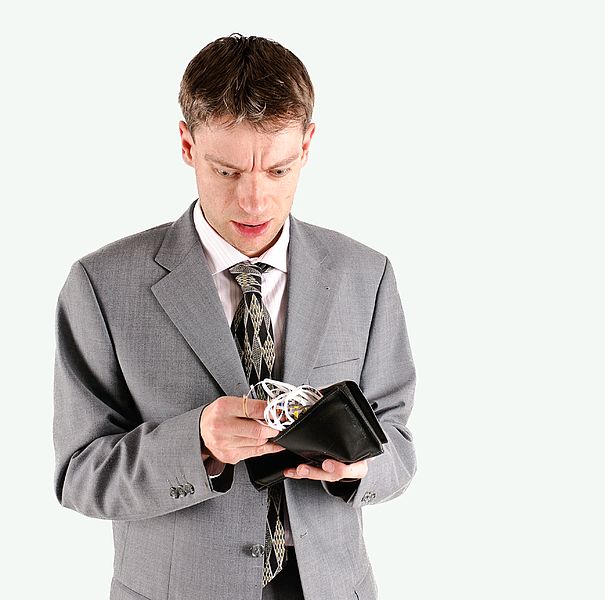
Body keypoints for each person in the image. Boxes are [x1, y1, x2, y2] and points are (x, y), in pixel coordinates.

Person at [53, 34, 416, 600]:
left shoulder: (364, 274)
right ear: (186, 143)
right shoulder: (101, 285)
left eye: (278, 170)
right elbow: (80, 476)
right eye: (226, 172)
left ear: (308, 144)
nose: (254, 201)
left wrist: (359, 468)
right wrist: (195, 441)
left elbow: (399, 445)